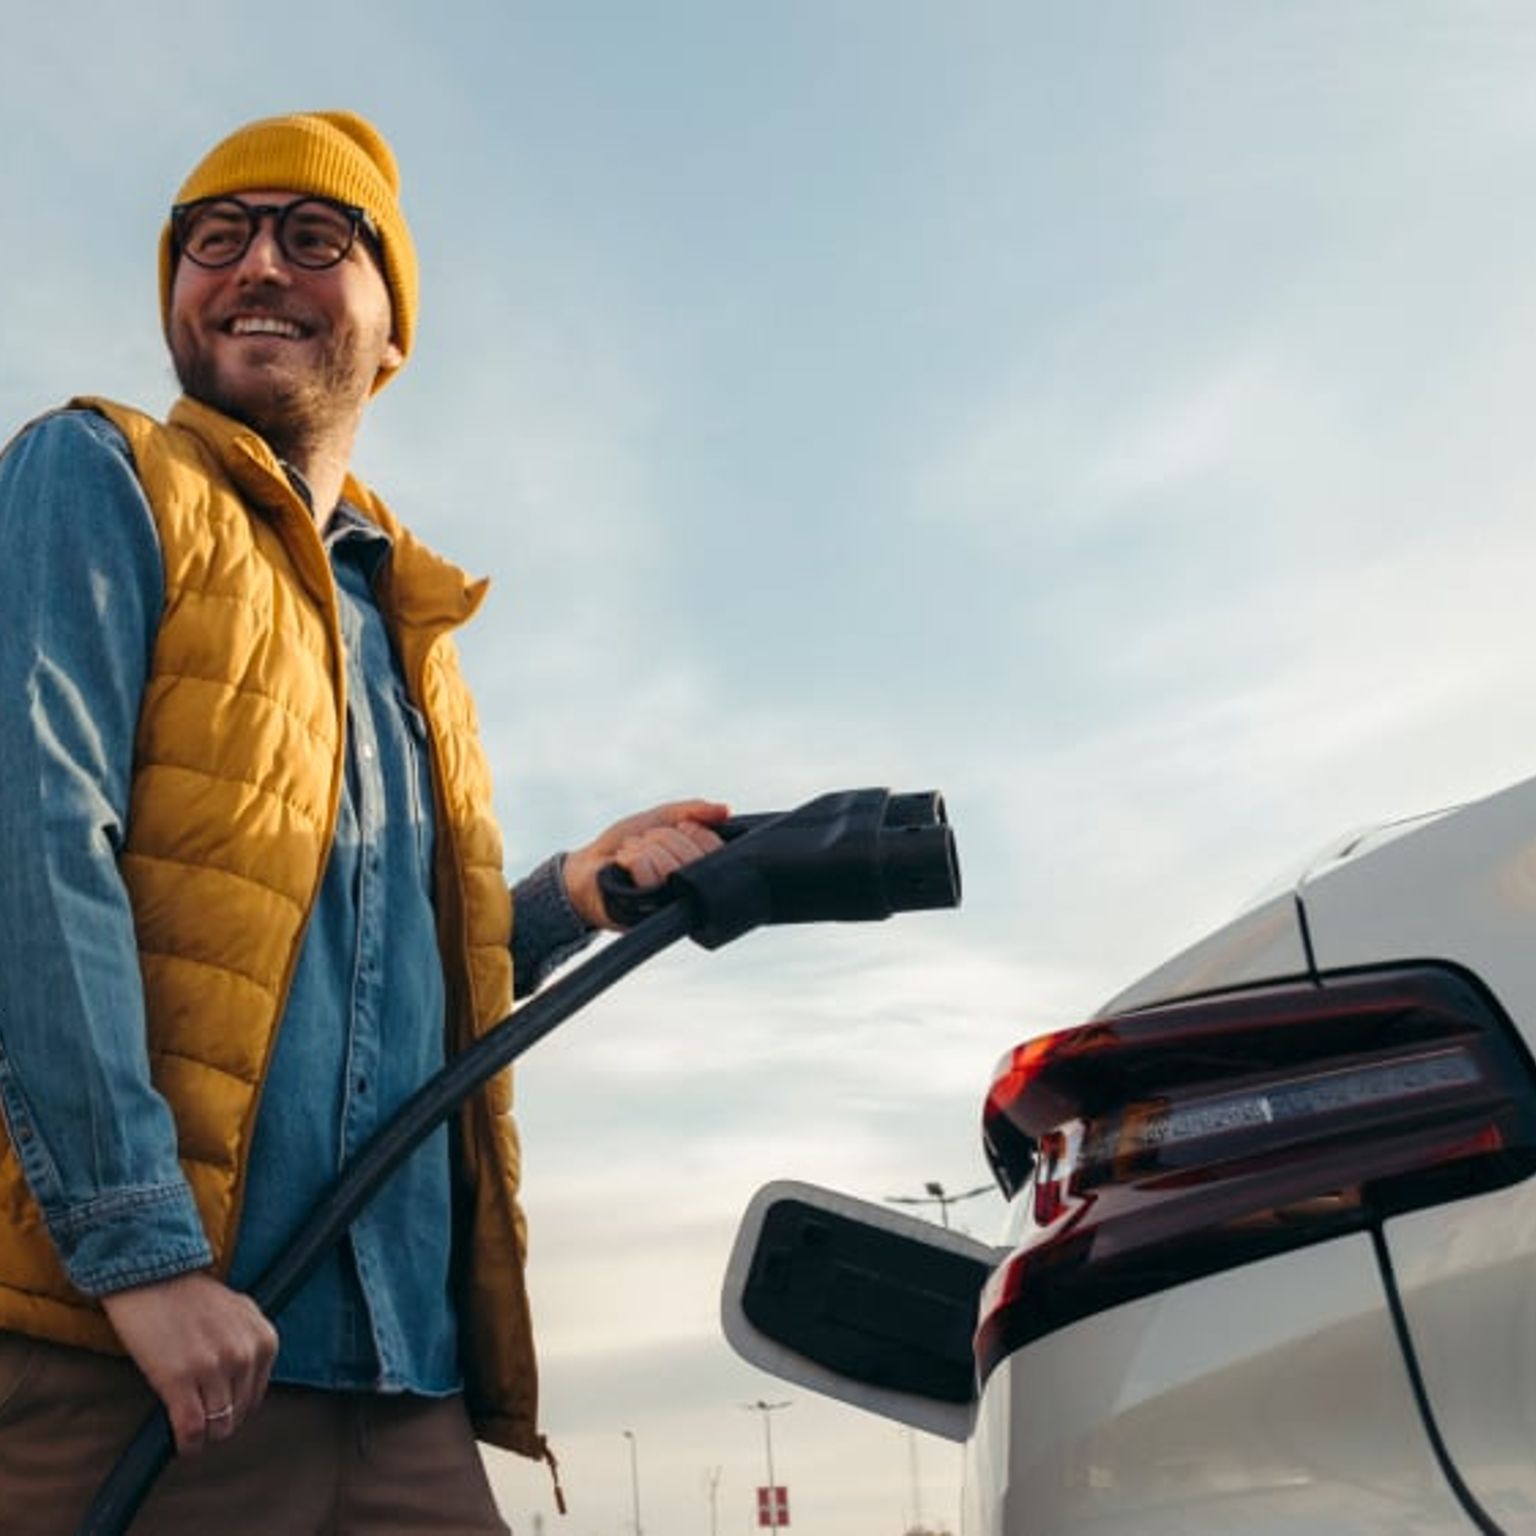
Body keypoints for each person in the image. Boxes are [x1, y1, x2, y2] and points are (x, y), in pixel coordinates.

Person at [0, 110, 726, 1533]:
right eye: (218, 238)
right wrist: (140, 1258)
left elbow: (382, 987)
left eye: (315, 239)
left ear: (392, 330)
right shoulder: (100, 478)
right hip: (134, 1362)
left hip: (400, 1381)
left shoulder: (409, 634)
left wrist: (573, 895)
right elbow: (32, 852)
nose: (257, 264)